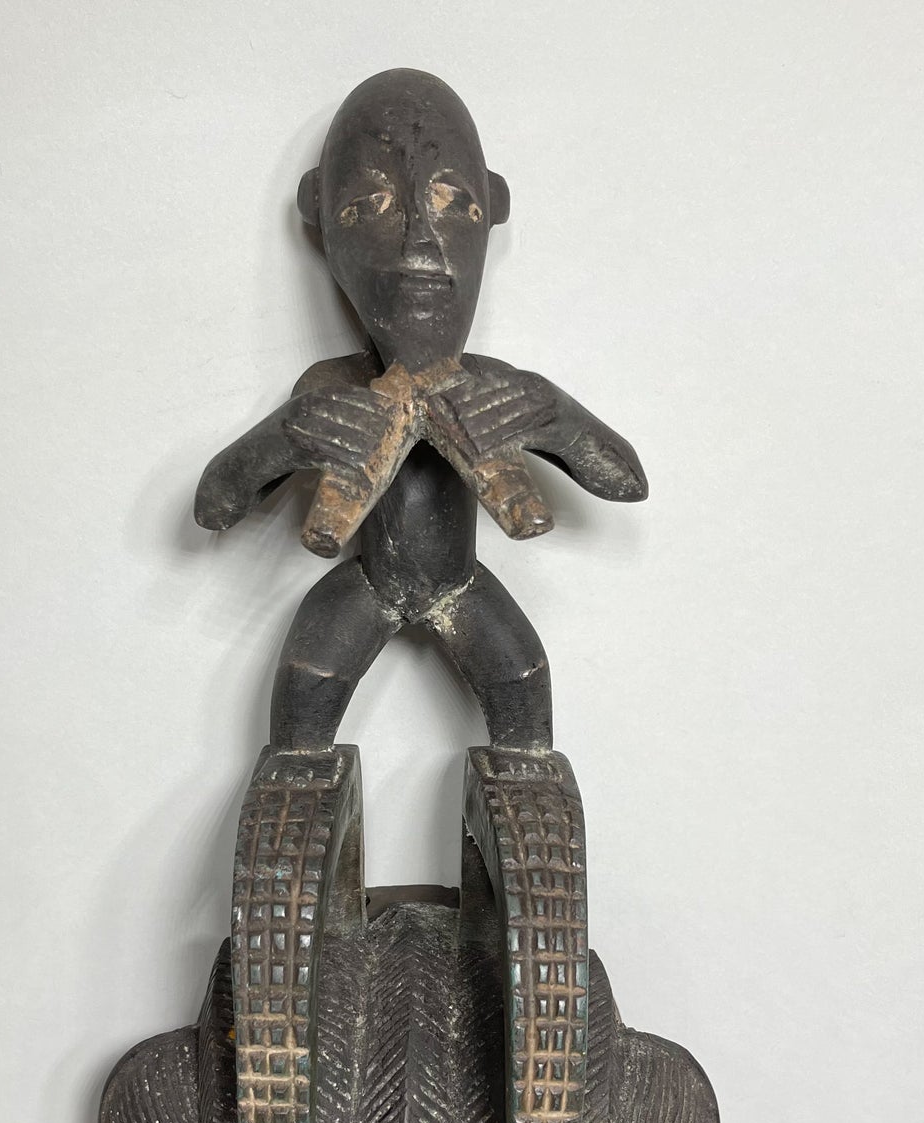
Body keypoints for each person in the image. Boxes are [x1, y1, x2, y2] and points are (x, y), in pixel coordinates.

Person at [194, 67, 648, 753]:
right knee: (304, 699)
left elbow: (626, 480)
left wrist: (551, 415)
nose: (418, 243)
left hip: (462, 585)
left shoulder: (495, 387)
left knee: (524, 690)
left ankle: (524, 796)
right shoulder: (333, 386)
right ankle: (298, 792)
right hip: (366, 586)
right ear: (320, 211)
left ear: (493, 206)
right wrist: (287, 437)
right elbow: (215, 503)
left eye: (453, 204)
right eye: (369, 207)